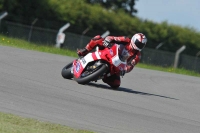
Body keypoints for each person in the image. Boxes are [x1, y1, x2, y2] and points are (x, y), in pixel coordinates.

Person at [77, 33, 147, 89]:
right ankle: (85, 50)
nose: (139, 45)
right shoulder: (126, 40)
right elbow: (112, 38)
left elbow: (131, 65)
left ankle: (103, 76)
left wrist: (125, 69)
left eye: (141, 45)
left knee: (116, 84)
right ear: (134, 39)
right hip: (110, 51)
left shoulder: (137, 55)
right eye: (138, 43)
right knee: (98, 38)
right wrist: (108, 40)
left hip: (116, 65)